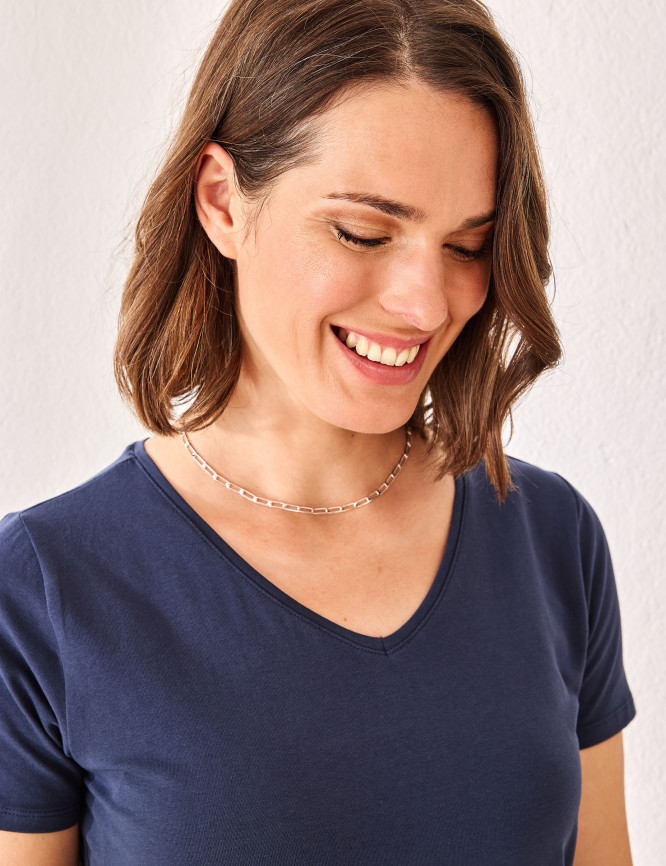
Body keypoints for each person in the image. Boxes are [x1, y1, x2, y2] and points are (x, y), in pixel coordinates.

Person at [0, 0, 637, 863]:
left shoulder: (551, 538)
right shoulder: (45, 590)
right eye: (363, 232)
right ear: (222, 201)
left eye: (466, 246)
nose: (425, 303)